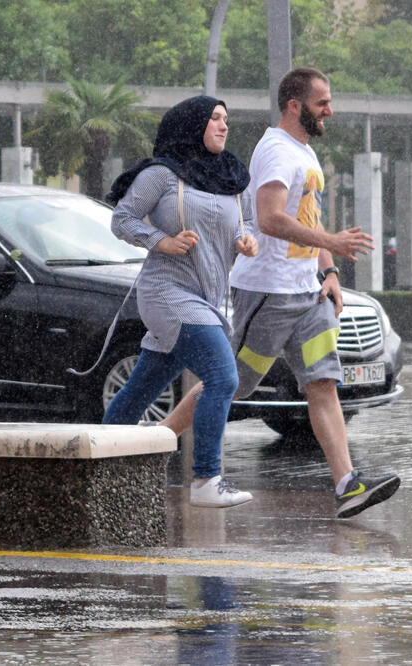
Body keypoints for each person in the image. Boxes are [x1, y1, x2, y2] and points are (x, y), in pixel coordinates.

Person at [162, 67, 400, 519]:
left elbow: (307, 216)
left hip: (306, 294)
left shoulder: (305, 154)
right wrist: (331, 243)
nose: (330, 110)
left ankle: (348, 484)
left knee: (323, 383)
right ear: (295, 106)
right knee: (230, 383)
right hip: (267, 294)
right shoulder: (275, 150)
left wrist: (328, 271)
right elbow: (269, 218)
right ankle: (150, 445)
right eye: (321, 103)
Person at [102, 95, 258, 509]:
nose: (224, 126)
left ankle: (95, 467)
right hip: (166, 293)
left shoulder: (231, 176)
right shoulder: (163, 174)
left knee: (141, 390)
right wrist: (163, 241)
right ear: (191, 125)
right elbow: (123, 218)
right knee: (224, 378)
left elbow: (250, 221)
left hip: (208, 298)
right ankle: (207, 479)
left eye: (226, 119)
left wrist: (248, 239)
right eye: (214, 119)